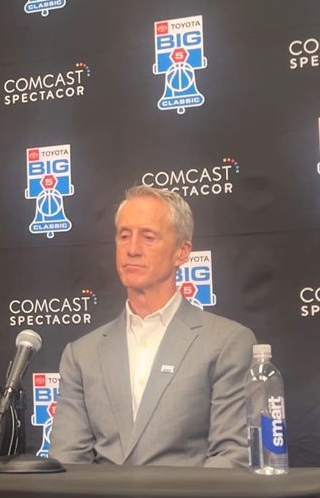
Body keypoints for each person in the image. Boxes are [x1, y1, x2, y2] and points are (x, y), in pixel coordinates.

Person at [49, 185, 256, 467]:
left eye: (148, 237)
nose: (132, 249)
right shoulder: (81, 355)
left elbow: (231, 459)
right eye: (124, 236)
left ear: (181, 252)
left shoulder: (228, 343)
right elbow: (67, 463)